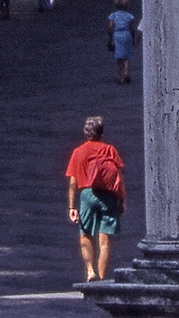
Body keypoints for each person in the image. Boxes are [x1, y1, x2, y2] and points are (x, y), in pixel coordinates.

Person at [64, 115, 125, 281]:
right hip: (108, 196)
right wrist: (122, 200)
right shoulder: (110, 150)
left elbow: (72, 182)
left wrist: (71, 207)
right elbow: (118, 176)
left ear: (86, 132)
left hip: (87, 195)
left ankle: (90, 271)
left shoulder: (78, 152)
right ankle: (102, 277)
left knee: (85, 234)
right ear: (101, 132)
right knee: (105, 241)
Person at [107, 0, 137, 84]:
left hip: (117, 35)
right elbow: (132, 28)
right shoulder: (129, 16)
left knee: (119, 58)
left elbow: (110, 27)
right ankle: (126, 73)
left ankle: (121, 77)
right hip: (127, 34)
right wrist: (133, 37)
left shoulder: (113, 16)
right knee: (126, 56)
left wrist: (110, 37)